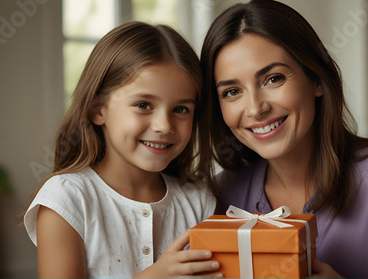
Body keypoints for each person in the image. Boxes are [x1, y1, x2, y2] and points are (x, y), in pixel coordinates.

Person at [201, 0, 368, 278]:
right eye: (232, 92)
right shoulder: (220, 195)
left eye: (273, 79)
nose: (255, 109)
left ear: (317, 80)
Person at [24, 21, 222, 278]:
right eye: (143, 105)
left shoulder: (199, 202)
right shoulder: (66, 200)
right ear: (98, 109)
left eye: (181, 109)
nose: (164, 125)